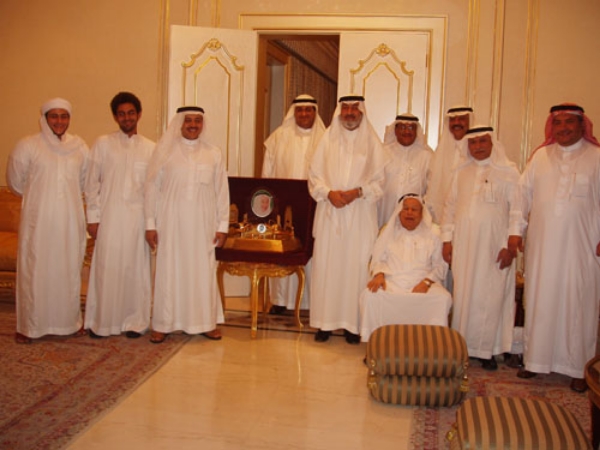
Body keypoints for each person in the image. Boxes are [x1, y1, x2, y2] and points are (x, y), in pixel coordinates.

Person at [508, 103, 600, 392]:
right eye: (557, 122)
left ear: (582, 125)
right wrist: (515, 231)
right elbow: (522, 195)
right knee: (540, 299)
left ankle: (578, 367)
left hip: (582, 248)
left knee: (579, 303)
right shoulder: (540, 157)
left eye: (569, 122)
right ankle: (535, 360)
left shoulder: (596, 157)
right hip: (543, 247)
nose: (563, 128)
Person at [6, 98, 90, 343]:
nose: (59, 121)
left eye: (64, 116)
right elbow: (15, 182)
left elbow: (84, 181)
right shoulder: (28, 145)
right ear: (44, 118)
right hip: (38, 221)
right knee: (35, 270)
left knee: (68, 270)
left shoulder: (79, 147)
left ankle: (69, 323)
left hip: (69, 220)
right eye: (54, 116)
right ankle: (29, 327)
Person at [144, 106, 229, 344]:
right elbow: (152, 189)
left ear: (203, 124)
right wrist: (150, 224)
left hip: (203, 225)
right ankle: (163, 324)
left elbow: (222, 190)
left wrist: (222, 226)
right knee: (169, 271)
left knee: (202, 272)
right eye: (188, 120)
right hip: (170, 223)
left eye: (197, 121)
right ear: (180, 123)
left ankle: (205, 323)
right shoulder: (165, 152)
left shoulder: (213, 153)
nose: (193, 125)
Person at [308, 95, 389, 344]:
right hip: (330, 213)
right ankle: (325, 323)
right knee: (328, 267)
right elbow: (314, 177)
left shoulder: (373, 143)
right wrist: (328, 193)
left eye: (355, 108)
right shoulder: (326, 140)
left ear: (362, 112)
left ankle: (353, 325)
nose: (350, 112)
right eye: (346, 108)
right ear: (339, 111)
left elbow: (380, 183)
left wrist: (358, 192)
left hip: (360, 215)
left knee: (356, 268)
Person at [441, 126, 520, 370]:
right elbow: (450, 207)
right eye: (473, 143)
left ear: (493, 143)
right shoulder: (461, 172)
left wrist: (510, 245)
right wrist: (447, 240)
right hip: (464, 244)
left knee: (490, 295)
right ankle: (462, 346)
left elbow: (517, 210)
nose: (478, 147)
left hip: (495, 245)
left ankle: (487, 350)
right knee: (464, 293)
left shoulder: (509, 172)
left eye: (483, 141)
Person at [84, 92, 155, 338]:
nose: (127, 118)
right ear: (115, 117)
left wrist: (151, 224)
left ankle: (135, 322)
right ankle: (102, 322)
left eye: (131, 113)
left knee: (135, 271)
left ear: (139, 114)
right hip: (109, 217)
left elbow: (153, 190)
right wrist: (93, 218)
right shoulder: (103, 144)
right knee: (107, 269)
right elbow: (91, 184)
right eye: (122, 114)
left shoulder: (151, 149)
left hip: (137, 219)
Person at [262, 94, 326, 313]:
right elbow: (267, 172)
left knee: (312, 250)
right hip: (284, 204)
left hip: (314, 204)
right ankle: (280, 301)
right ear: (294, 113)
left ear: (315, 112)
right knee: (283, 249)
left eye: (308, 110)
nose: (304, 114)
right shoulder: (278, 137)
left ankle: (309, 301)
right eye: (300, 110)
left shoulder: (326, 139)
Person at [359, 195, 451, 342]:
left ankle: (430, 341)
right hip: (393, 281)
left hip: (422, 283)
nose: (409, 213)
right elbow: (377, 259)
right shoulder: (388, 233)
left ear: (422, 213)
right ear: (399, 212)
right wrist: (379, 275)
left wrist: (426, 282)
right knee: (370, 295)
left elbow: (440, 266)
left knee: (443, 298)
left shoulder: (433, 234)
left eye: (414, 210)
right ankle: (378, 341)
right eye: (406, 209)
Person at [378, 113, 433, 227]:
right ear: (395, 130)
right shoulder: (382, 152)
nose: (407, 131)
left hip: (414, 219)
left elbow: (432, 190)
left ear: (416, 131)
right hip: (385, 212)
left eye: (411, 128)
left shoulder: (427, 156)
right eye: (402, 127)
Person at [427, 106, 473, 224]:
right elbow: (433, 186)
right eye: (452, 119)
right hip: (443, 216)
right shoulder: (440, 152)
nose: (456, 123)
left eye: (461, 119)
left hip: (470, 216)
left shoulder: (477, 150)